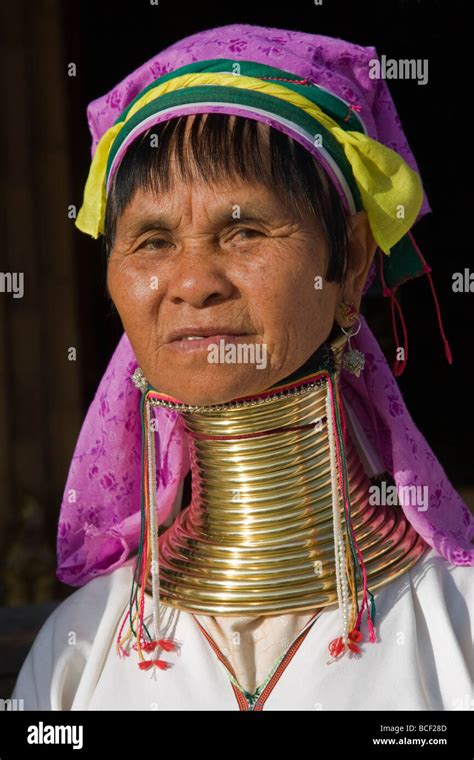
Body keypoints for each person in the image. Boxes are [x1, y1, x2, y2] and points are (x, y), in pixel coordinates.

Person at [9, 23, 474, 711]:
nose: (193, 282)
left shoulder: (458, 626)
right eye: (153, 240)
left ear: (348, 263)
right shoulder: (76, 656)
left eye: (244, 231)